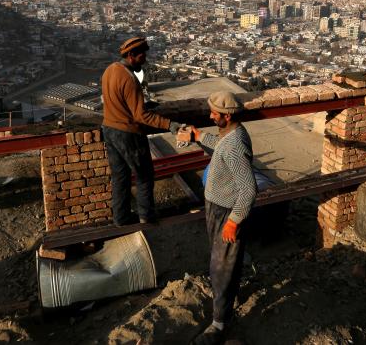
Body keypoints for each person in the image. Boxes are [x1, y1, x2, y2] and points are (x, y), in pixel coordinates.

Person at [187, 91, 257, 345]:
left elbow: (249, 189)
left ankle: (219, 325)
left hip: (227, 212)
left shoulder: (235, 145)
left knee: (220, 267)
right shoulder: (230, 134)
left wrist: (233, 221)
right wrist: (198, 136)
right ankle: (228, 296)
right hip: (218, 208)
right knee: (224, 260)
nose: (210, 115)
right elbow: (220, 146)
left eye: (214, 113)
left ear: (227, 116)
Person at [101, 36, 182, 226]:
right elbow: (141, 117)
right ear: (130, 55)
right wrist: (170, 125)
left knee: (120, 177)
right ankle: (146, 217)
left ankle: (120, 219)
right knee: (144, 176)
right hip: (128, 134)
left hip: (109, 129)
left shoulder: (110, 70)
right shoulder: (130, 79)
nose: (144, 58)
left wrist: (142, 104)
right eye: (141, 55)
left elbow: (118, 101)